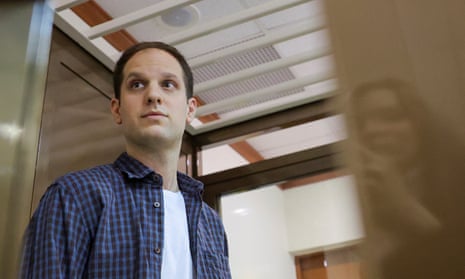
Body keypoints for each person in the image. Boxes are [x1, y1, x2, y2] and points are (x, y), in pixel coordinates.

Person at [20, 42, 232, 279]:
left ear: (190, 109)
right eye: (137, 84)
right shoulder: (74, 196)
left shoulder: (211, 223)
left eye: (168, 84)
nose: (153, 95)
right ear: (117, 109)